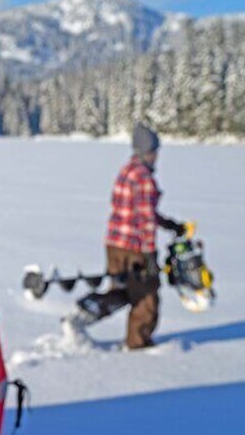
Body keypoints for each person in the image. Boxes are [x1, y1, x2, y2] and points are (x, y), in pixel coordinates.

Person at [63, 123, 186, 349]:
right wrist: (149, 255)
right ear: (146, 151)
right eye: (155, 151)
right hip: (135, 249)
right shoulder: (144, 178)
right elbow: (145, 219)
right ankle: (138, 345)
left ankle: (82, 314)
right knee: (146, 297)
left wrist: (168, 224)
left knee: (122, 291)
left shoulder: (127, 170)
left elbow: (136, 210)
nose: (157, 156)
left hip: (114, 244)